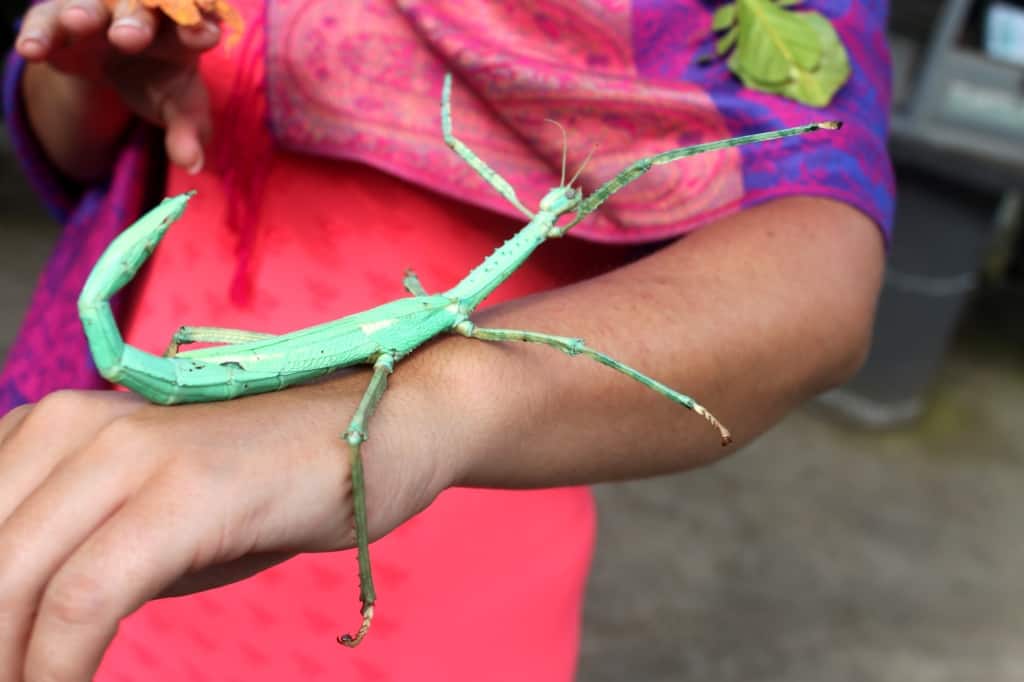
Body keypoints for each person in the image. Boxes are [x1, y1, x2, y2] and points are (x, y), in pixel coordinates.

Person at [0, 1, 891, 679]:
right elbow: (74, 141)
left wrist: (441, 406)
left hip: (450, 577)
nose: (552, 218)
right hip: (114, 486)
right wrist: (80, 72)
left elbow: (821, 263)